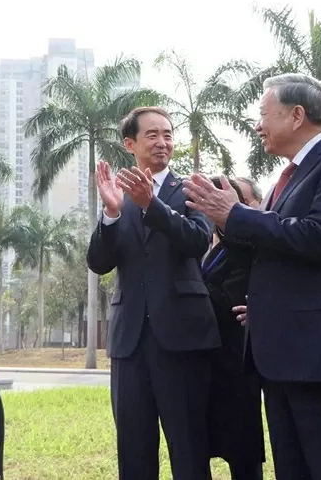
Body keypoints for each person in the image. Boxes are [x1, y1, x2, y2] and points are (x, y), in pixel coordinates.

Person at [183, 73, 321, 480]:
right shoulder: (283, 181)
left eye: (262, 114)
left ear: (295, 115)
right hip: (282, 359)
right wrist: (223, 221)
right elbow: (271, 248)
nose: (257, 125)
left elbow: (320, 236)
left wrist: (237, 214)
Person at [87, 106, 220, 480]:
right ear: (130, 143)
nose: (163, 142)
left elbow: (197, 242)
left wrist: (152, 205)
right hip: (129, 342)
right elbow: (99, 263)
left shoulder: (193, 188)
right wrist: (111, 214)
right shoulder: (119, 196)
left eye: (168, 134)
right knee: (133, 447)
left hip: (183, 339)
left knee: (189, 446)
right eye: (152, 135)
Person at [201, 176, 265, 480]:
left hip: (236, 360)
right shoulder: (200, 241)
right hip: (203, 359)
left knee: (242, 451)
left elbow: (234, 300)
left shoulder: (248, 244)